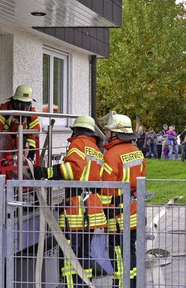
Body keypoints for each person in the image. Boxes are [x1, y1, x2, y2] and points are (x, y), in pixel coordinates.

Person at [31, 116, 107, 286]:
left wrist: (46, 172)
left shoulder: (78, 144)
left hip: (78, 209)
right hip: (92, 208)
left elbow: (72, 170)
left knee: (69, 253)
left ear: (77, 130)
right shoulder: (95, 148)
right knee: (84, 253)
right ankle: (83, 284)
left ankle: (71, 285)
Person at [99, 111, 146, 288]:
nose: (105, 134)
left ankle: (120, 285)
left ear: (115, 134)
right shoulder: (137, 152)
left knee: (117, 254)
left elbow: (107, 189)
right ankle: (132, 284)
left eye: (108, 131)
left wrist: (101, 213)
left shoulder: (111, 155)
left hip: (117, 215)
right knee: (131, 252)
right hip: (134, 212)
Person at [0, 85, 41, 162]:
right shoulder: (4, 111)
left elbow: (33, 137)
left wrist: (31, 154)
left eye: (26, 106)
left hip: (20, 143)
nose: (23, 109)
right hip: (3, 143)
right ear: (14, 101)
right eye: (20, 105)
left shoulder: (31, 115)